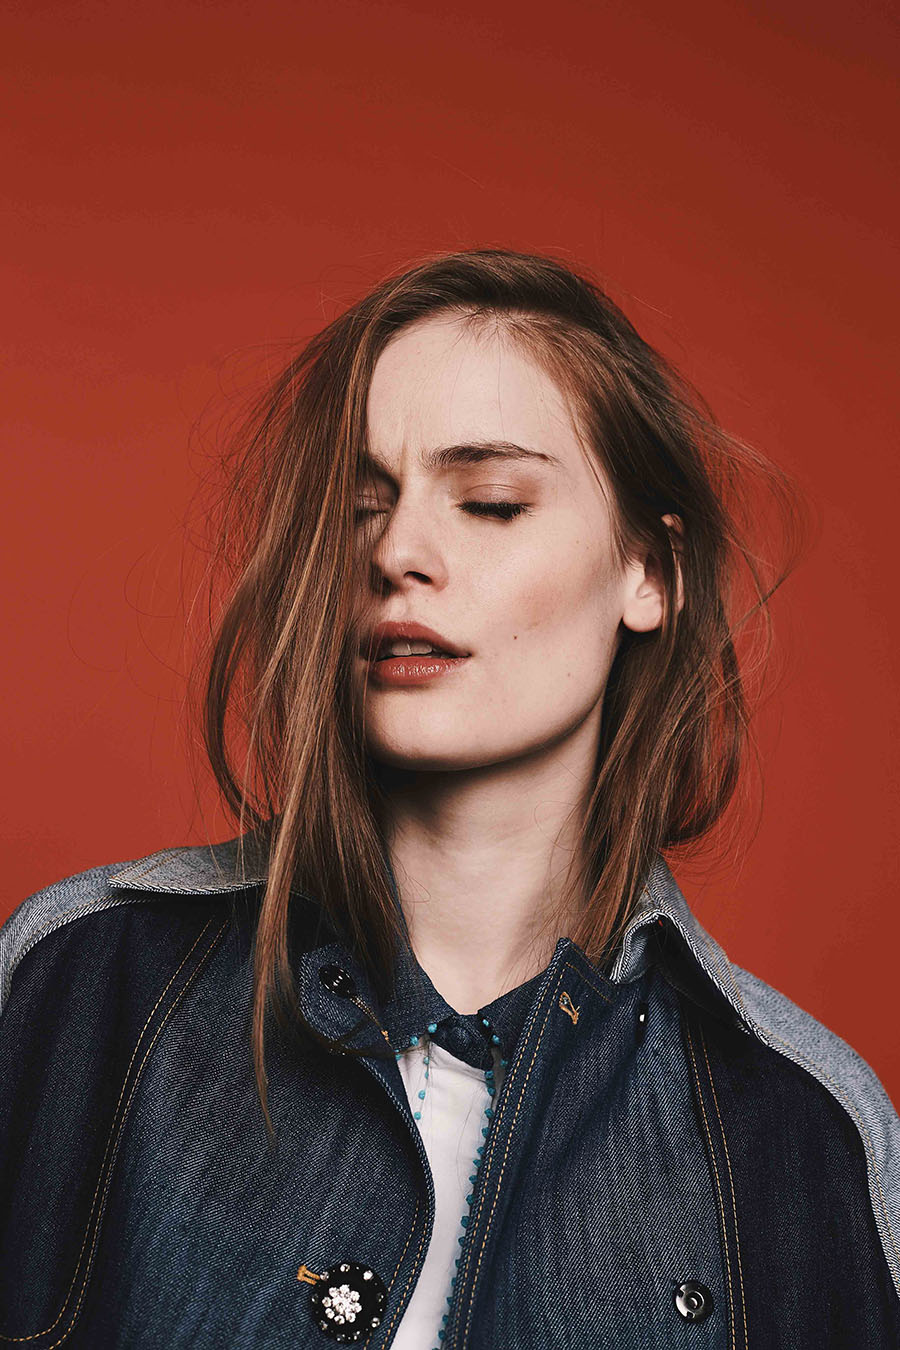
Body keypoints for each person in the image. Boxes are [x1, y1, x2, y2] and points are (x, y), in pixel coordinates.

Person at [2, 247, 898, 1349]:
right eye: (359, 506)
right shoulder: (79, 985)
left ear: (649, 573)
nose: (398, 552)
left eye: (489, 502)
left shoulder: (807, 1132)